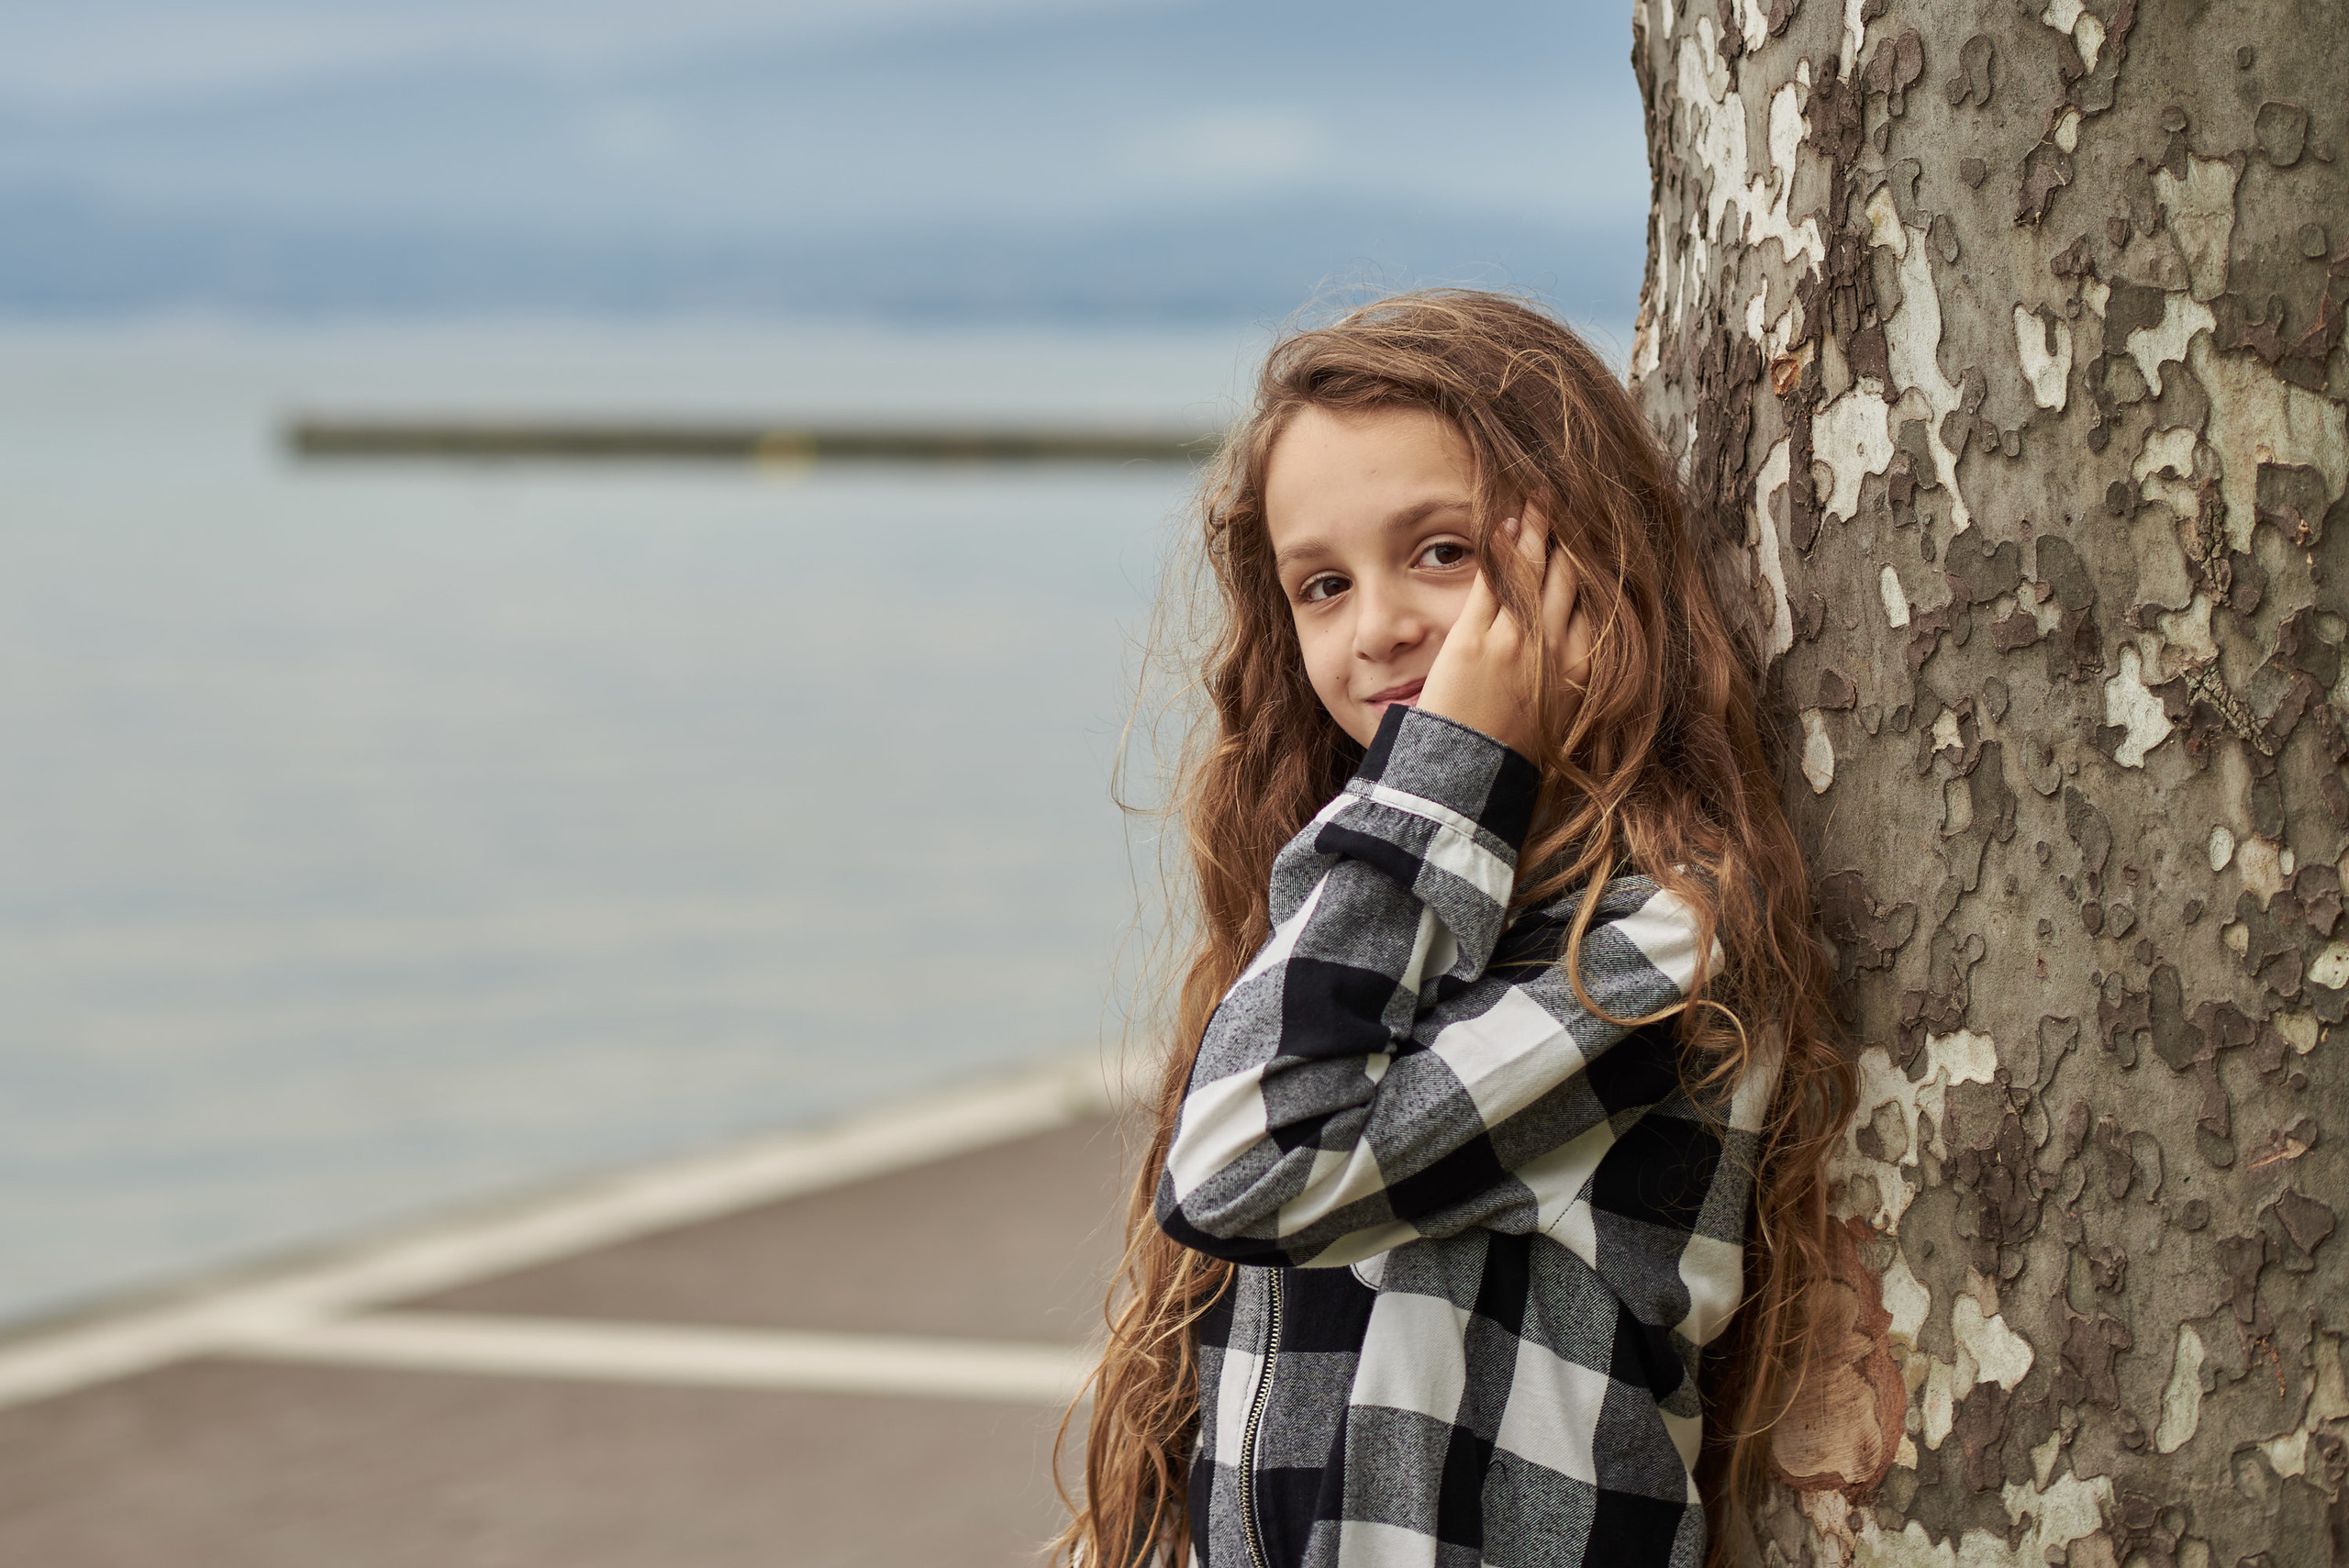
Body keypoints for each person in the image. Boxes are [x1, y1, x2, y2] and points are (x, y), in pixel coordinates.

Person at [1057, 291, 1851, 1568]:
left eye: (1439, 551)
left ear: (1585, 561)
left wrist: (1445, 772)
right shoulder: (1375, 911)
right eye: (1322, 583)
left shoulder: (1657, 947)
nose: (1376, 628)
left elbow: (1247, 1165)